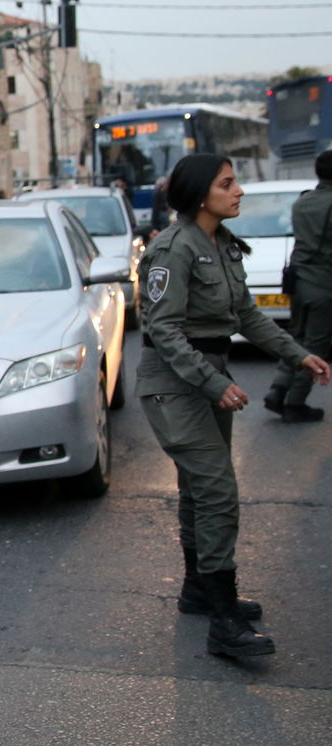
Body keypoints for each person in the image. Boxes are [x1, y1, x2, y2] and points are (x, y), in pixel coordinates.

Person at [137, 153, 330, 658]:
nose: (239, 190)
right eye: (228, 183)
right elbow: (162, 329)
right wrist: (210, 381)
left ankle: (199, 589)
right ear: (202, 194)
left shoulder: (221, 244)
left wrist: (299, 353)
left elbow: (246, 314)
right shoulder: (173, 249)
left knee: (197, 488)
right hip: (175, 381)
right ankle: (223, 621)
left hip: (207, 375)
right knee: (217, 490)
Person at [265, 150, 332, 423]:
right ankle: (295, 402)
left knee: (297, 338)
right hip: (323, 284)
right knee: (315, 345)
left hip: (299, 282)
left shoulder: (303, 202)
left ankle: (278, 389)